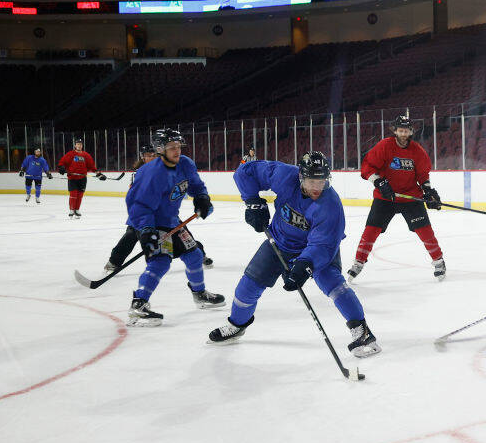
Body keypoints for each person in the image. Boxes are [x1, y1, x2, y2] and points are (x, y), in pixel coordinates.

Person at [209, 151, 380, 359]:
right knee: (248, 285)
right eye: (311, 181)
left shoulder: (330, 205)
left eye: (322, 181)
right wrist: (253, 201)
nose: (317, 187)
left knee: (334, 284)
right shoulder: (283, 175)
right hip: (279, 242)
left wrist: (306, 264)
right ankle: (236, 324)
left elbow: (323, 245)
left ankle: (362, 332)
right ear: (301, 176)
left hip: (315, 248)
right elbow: (245, 172)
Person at [125, 128, 224, 326]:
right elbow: (139, 206)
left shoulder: (185, 163)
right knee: (160, 261)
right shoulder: (152, 173)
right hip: (151, 222)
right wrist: (146, 231)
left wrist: (202, 198)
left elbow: (196, 185)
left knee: (194, 256)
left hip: (172, 220)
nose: (177, 150)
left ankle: (200, 295)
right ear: (160, 149)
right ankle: (139, 304)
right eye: (172, 147)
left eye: (178, 146)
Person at [347, 115, 445, 281]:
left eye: (406, 130)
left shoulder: (417, 151)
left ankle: (439, 261)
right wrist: (378, 181)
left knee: (425, 231)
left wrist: (427, 191)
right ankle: (358, 262)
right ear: (395, 130)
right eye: (400, 130)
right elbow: (367, 167)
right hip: (386, 197)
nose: (403, 133)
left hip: (410, 197)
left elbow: (423, 174)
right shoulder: (384, 146)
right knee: (371, 231)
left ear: (411, 131)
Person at [105, 144, 213, 272]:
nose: (151, 157)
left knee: (183, 234)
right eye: (148, 155)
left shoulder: (166, 168)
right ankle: (114, 262)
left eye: (153, 155)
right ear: (143, 158)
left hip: (164, 212)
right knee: (130, 236)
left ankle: (200, 255)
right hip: (144, 214)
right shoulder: (141, 173)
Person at [58, 138, 105, 218]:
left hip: (82, 178)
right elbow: (62, 162)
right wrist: (61, 168)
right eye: (77, 144)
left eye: (80, 144)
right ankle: (72, 209)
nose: (79, 145)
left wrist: (99, 174)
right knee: (73, 194)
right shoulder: (70, 154)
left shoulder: (86, 155)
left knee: (80, 195)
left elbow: (92, 166)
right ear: (75, 145)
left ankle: (77, 209)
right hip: (72, 177)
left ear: (82, 146)